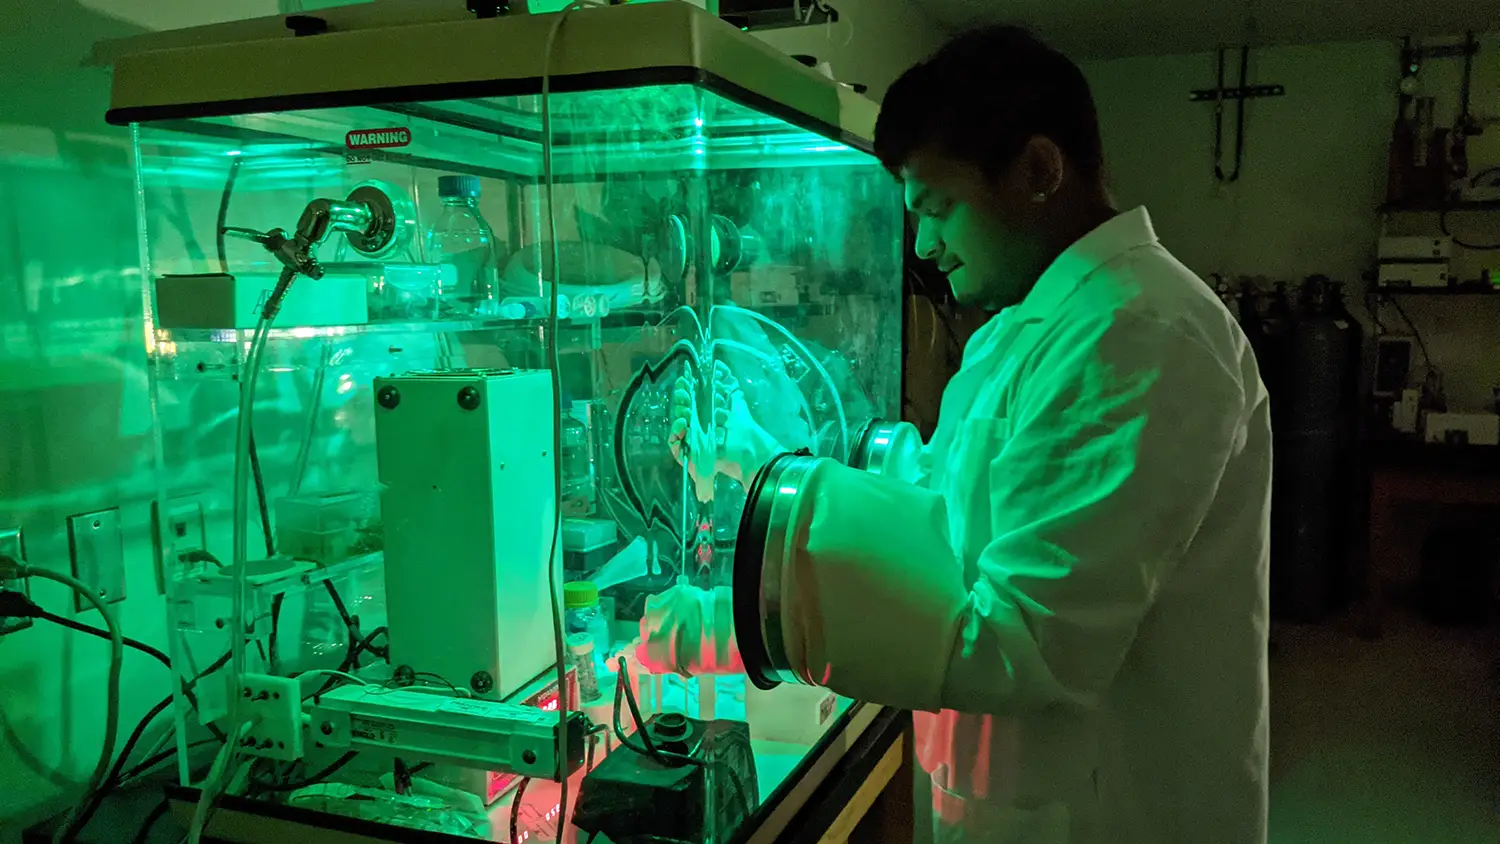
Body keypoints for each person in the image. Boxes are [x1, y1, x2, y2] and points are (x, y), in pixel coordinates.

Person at [639, 26, 1271, 844]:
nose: (926, 248)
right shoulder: (1042, 321)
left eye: (939, 208)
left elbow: (1023, 643)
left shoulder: (1140, 336)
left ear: (1039, 171)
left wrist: (745, 623)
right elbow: (957, 501)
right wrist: (760, 455)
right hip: (1024, 794)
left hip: (1106, 807)